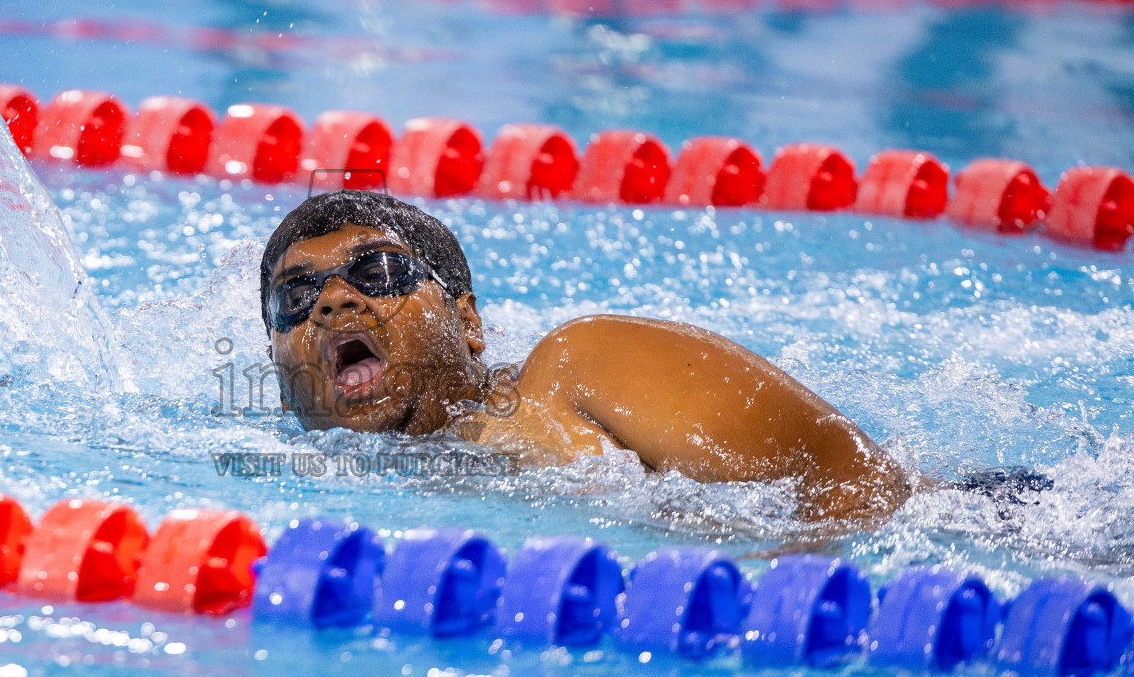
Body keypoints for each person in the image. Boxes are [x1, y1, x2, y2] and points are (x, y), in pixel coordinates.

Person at [259, 189, 910, 522]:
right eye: (297, 298)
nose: (334, 303)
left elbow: (858, 480)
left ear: (468, 322)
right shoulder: (312, 487)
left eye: (378, 273)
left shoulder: (573, 369)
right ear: (279, 369)